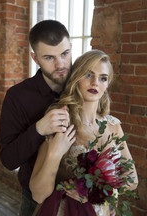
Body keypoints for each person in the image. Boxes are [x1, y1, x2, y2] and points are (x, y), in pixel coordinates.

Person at [29, 49, 138, 216]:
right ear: (76, 78)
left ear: (107, 84)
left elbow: (132, 179)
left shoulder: (113, 126)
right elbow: (38, 195)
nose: (95, 82)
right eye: (88, 75)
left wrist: (99, 192)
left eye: (103, 78)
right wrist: (54, 153)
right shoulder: (61, 123)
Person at [0, 20, 72, 216]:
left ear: (71, 47)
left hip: (82, 196)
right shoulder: (17, 96)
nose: (61, 64)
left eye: (64, 54)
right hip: (35, 200)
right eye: (49, 57)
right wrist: (39, 129)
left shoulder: (84, 85)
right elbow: (8, 160)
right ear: (35, 57)